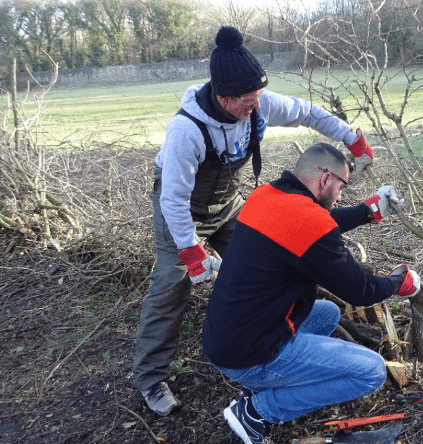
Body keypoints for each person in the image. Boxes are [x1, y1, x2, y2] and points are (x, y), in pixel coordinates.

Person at [133, 25, 376, 417]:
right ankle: (150, 377)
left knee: (270, 263)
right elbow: (173, 199)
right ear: (223, 96)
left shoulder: (256, 101)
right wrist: (193, 253)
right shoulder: (186, 131)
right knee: (170, 289)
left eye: (258, 98)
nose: (255, 106)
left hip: (228, 206)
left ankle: (276, 342)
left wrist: (352, 139)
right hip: (180, 212)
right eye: (247, 101)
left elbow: (309, 112)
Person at [202, 143, 420, 444]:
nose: (341, 196)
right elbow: (360, 289)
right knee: (371, 372)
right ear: (323, 179)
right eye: (342, 186)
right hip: (250, 353)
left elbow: (317, 222)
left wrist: (369, 211)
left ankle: (264, 385)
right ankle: (257, 413)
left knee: (327, 313)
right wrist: (399, 283)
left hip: (226, 335)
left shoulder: (265, 197)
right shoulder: (308, 221)